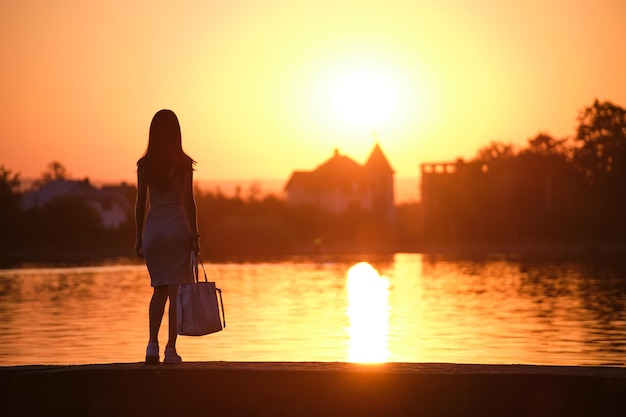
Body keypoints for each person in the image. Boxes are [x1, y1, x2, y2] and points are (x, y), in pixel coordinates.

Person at [134, 109, 200, 364]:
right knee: (176, 292)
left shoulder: (145, 165)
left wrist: (138, 237)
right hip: (177, 231)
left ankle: (151, 345)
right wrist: (194, 236)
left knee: (157, 290)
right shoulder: (183, 164)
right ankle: (170, 350)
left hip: (154, 232)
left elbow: (140, 204)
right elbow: (188, 201)